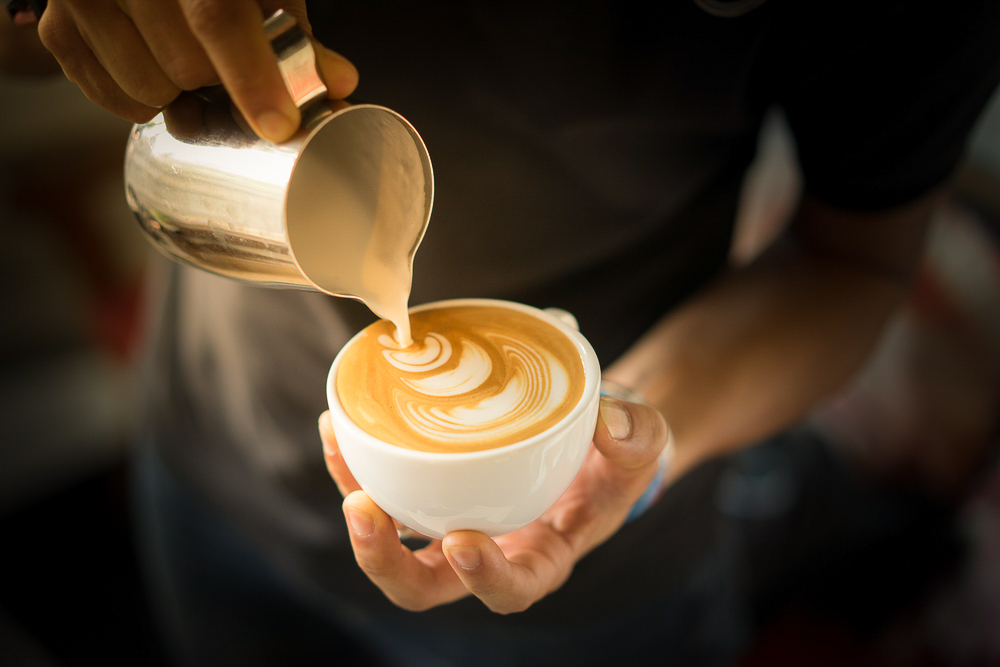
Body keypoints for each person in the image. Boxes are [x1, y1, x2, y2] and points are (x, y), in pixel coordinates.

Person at [9, 1, 1000, 664]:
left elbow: (853, 259)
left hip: (596, 588)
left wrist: (632, 437)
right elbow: (24, 38)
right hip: (212, 454)